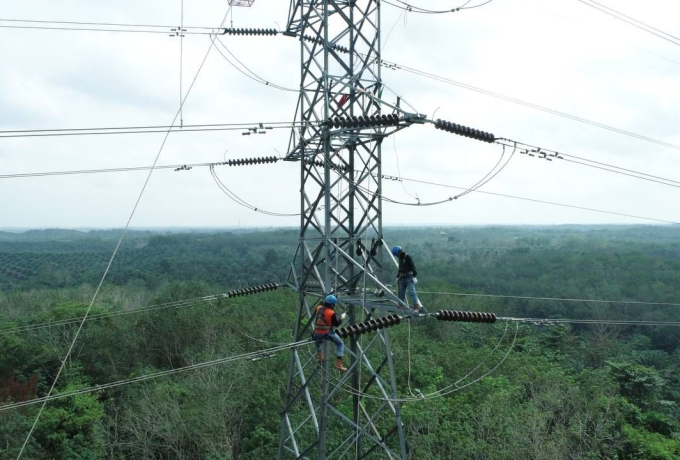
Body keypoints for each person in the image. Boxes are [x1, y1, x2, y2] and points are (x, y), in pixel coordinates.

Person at [312, 294, 348, 372]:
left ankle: (320, 357)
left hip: (317, 332)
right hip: (327, 333)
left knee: (317, 340)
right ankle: (339, 364)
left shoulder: (318, 308)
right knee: (340, 343)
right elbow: (336, 324)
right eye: (334, 305)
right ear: (332, 304)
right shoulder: (331, 313)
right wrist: (341, 318)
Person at [392, 245, 424, 313]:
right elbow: (400, 268)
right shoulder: (400, 258)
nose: (397, 256)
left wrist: (414, 276)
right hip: (402, 277)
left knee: (412, 292)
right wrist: (398, 277)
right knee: (401, 293)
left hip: (409, 277)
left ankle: (416, 306)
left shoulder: (407, 257)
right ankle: (401, 304)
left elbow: (413, 267)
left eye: (397, 254)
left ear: (399, 251)